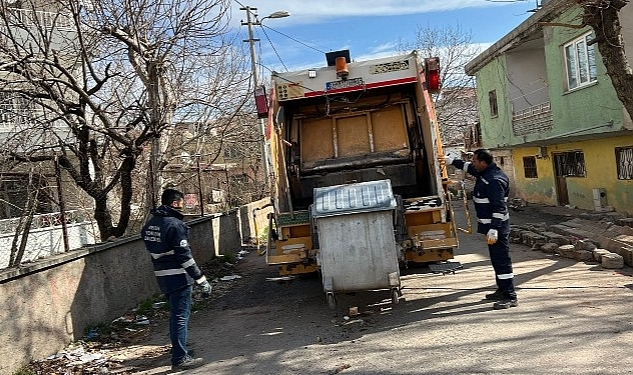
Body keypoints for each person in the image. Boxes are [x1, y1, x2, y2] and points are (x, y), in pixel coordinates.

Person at [141, 189, 213, 369]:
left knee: (175, 316)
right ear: (174, 203)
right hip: (178, 277)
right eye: (182, 202)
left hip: (162, 277)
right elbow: (184, 256)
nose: (183, 205)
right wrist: (201, 279)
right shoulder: (175, 225)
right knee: (180, 317)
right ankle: (180, 358)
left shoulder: (150, 225)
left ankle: (179, 351)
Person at [445, 149, 517, 310]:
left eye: (476, 161)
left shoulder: (493, 180)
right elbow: (469, 167)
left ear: (483, 162)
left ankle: (510, 296)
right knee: (496, 260)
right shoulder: (486, 173)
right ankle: (502, 289)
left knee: (502, 261)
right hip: (491, 228)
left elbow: (499, 207)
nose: (473, 163)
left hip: (496, 228)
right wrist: (453, 162)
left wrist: (494, 228)